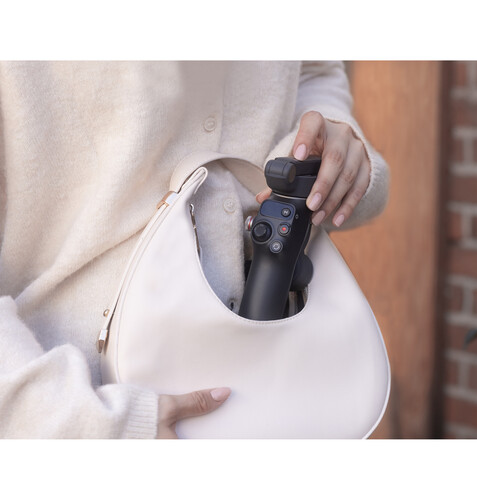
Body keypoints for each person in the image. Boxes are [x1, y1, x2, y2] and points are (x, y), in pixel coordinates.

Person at [0, 61, 389, 438]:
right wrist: (82, 423)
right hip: (84, 407)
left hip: (280, 383)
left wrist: (332, 152)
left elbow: (314, 71)